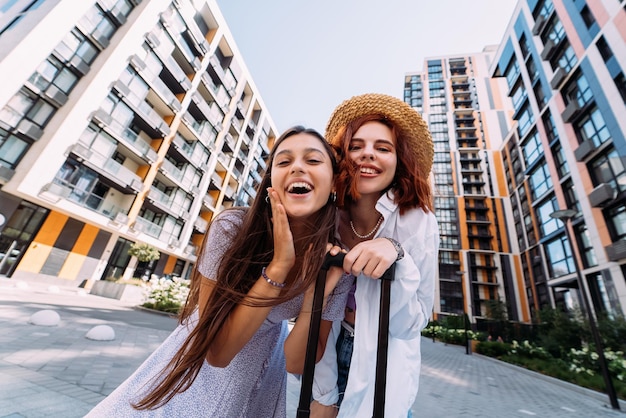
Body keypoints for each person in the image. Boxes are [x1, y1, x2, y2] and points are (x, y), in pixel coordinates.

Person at [86, 126, 352, 417]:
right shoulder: (232, 228)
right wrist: (279, 265)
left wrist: (316, 293)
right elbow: (219, 353)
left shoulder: (336, 260)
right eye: (284, 161)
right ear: (270, 184)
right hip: (199, 369)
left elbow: (297, 363)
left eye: (313, 161)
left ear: (335, 184)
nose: (298, 167)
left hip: (264, 370)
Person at [309, 93, 440, 417]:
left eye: (383, 148)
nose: (368, 154)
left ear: (398, 162)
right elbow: (310, 309)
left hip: (385, 367)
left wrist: (397, 254)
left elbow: (412, 323)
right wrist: (323, 393)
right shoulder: (324, 215)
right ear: (341, 156)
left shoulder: (416, 221)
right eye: (356, 146)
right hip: (324, 356)